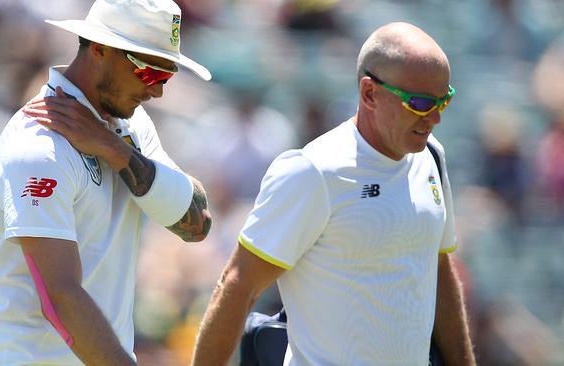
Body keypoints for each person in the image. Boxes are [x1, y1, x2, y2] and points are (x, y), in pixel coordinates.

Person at [191, 22, 476, 366]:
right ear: (369, 93)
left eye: (443, 101)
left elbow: (439, 270)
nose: (434, 118)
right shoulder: (312, 170)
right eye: (419, 103)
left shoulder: (432, 156)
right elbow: (238, 286)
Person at [0, 0, 212, 365]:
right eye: (149, 74)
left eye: (168, 76)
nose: (158, 92)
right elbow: (61, 298)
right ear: (99, 49)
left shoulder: (130, 128)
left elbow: (197, 222)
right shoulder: (38, 146)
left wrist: (114, 150)